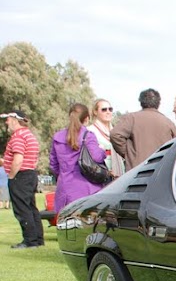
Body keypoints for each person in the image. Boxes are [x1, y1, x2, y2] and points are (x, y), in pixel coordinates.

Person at [49, 103, 109, 213]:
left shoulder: (58, 137)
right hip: (86, 188)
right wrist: (102, 150)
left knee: (66, 221)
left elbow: (53, 165)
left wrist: (63, 175)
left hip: (65, 189)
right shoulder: (88, 136)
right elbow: (97, 157)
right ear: (86, 118)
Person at [1, 110, 43, 248]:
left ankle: (30, 241)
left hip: (20, 175)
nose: (6, 122)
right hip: (30, 174)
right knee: (31, 208)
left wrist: (11, 176)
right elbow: (34, 159)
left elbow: (18, 159)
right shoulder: (29, 135)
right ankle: (38, 239)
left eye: (8, 119)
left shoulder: (18, 136)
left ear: (15, 120)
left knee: (22, 209)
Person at [111, 88, 176, 171]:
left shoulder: (131, 118)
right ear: (158, 103)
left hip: (136, 171)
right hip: (161, 170)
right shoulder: (169, 123)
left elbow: (115, 134)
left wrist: (128, 154)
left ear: (141, 102)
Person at [87, 98, 125, 179]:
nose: (108, 112)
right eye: (104, 109)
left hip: (119, 171)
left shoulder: (115, 131)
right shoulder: (90, 131)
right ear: (95, 112)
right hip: (101, 173)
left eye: (110, 109)